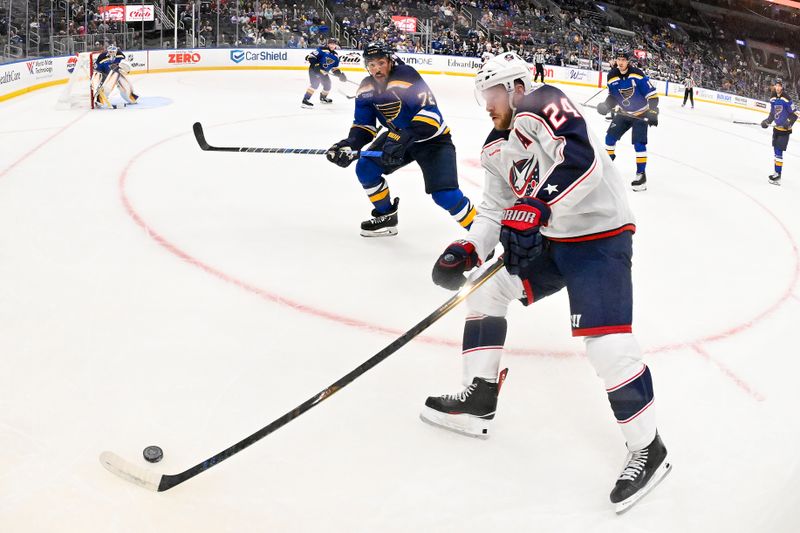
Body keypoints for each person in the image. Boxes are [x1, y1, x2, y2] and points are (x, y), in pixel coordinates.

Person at [421, 52, 670, 513]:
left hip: (600, 237)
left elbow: (581, 159)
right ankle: (479, 394)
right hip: (552, 241)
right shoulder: (496, 148)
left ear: (516, 86)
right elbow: (496, 210)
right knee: (487, 290)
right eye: (482, 96)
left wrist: (537, 206)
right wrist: (469, 247)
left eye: (491, 93)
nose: (486, 104)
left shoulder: (543, 102)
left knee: (609, 347)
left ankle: (648, 448)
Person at [325, 42, 477, 237]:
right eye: (371, 64)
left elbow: (430, 114)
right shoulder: (366, 88)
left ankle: (480, 233)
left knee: (444, 195)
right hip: (398, 138)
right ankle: (386, 215)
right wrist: (348, 144)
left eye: (380, 62)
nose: (376, 68)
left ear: (389, 61)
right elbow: (364, 126)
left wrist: (401, 137)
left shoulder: (406, 75)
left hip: (432, 140)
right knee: (365, 168)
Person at [596, 50, 659, 191]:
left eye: (623, 60)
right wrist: (606, 105)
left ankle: (641, 175)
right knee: (609, 138)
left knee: (639, 143)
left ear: (628, 61)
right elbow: (613, 97)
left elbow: (652, 95)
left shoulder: (637, 74)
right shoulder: (611, 76)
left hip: (641, 114)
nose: (620, 62)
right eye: (618, 59)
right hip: (624, 113)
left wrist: (653, 111)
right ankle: (607, 168)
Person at [761, 79, 799, 186]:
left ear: (782, 87)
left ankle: (778, 175)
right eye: (776, 85)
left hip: (784, 131)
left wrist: (788, 123)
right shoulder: (772, 98)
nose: (777, 88)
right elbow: (773, 113)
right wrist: (767, 121)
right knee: (776, 152)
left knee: (779, 152)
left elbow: (795, 114)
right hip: (776, 130)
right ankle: (776, 172)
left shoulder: (787, 98)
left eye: (779, 86)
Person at [301, 37, 346, 108]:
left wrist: (340, 75)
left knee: (328, 85)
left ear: (336, 45)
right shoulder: (322, 50)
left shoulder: (336, 56)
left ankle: (323, 98)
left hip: (324, 72)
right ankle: (305, 100)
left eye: (333, 44)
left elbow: (334, 68)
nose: (332, 45)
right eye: (330, 44)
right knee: (315, 84)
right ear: (328, 44)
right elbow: (311, 57)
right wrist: (316, 65)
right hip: (314, 70)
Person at [93, 44, 138, 109]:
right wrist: (98, 80)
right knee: (107, 87)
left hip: (117, 73)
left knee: (126, 86)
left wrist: (122, 69)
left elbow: (125, 66)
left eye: (113, 51)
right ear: (107, 51)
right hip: (105, 75)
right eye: (110, 51)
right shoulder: (102, 56)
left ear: (116, 51)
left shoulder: (120, 55)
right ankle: (99, 100)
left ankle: (131, 98)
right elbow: (97, 70)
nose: (112, 53)